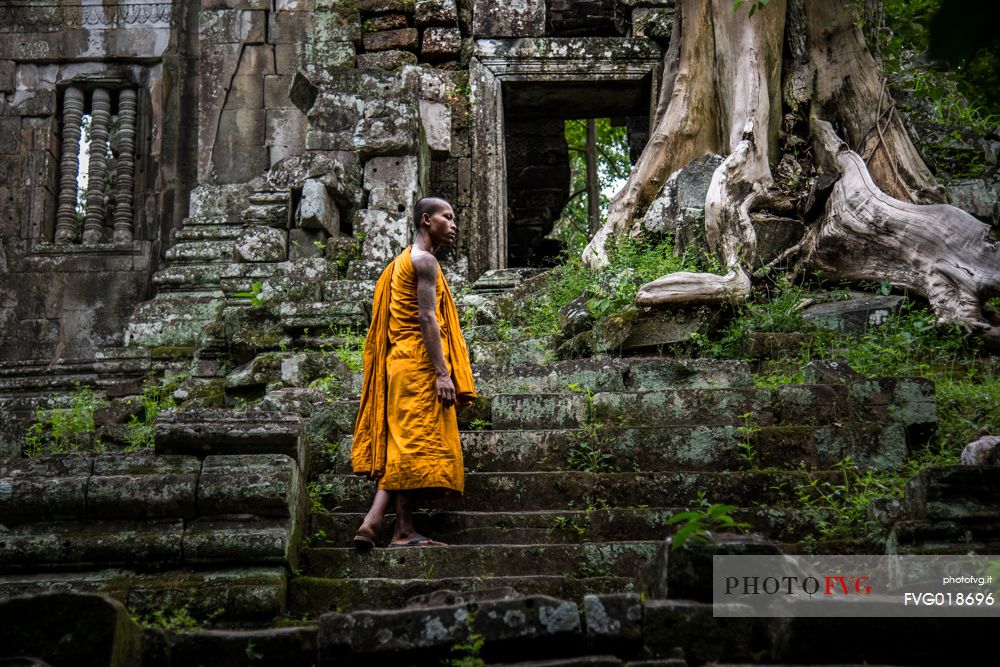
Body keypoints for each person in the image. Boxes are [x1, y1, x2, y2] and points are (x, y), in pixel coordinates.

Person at [350, 196, 476, 549]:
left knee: (405, 445)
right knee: (413, 442)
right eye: (446, 217)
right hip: (419, 364)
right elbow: (426, 318)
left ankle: (381, 524)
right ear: (426, 220)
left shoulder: (399, 263)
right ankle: (390, 527)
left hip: (397, 364)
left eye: (454, 218)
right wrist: (442, 373)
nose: (453, 224)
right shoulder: (424, 262)